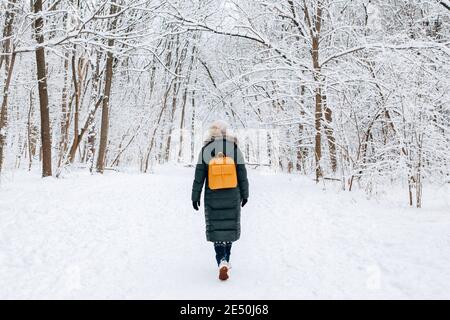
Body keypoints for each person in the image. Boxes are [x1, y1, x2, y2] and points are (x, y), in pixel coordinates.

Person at [191, 121, 249, 281]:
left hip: (212, 195)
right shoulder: (234, 149)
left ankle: (221, 260)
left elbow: (199, 176)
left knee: (217, 230)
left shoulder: (206, 150)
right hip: (233, 194)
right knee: (228, 228)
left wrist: (195, 196)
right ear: (226, 132)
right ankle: (226, 260)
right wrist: (245, 194)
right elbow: (242, 174)